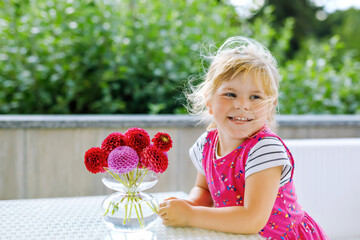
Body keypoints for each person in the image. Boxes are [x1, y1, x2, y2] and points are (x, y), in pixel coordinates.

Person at [158, 36, 329, 239]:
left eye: (255, 97)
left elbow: (252, 220)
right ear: (209, 101)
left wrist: (191, 215)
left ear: (269, 107)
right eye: (230, 94)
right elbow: (203, 189)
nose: (242, 105)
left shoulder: (265, 149)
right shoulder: (206, 145)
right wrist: (190, 205)